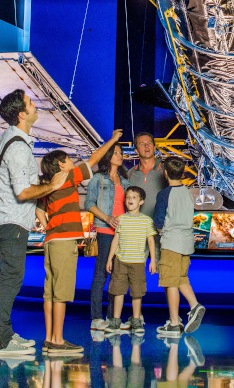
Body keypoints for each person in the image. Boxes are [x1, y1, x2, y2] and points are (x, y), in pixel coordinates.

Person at [0, 89, 73, 358]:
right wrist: (52, 186)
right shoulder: (17, 146)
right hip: (11, 222)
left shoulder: (9, 140)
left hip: (11, 219)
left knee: (11, 277)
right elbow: (22, 191)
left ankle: (5, 333)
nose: (36, 105)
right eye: (31, 103)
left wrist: (37, 208)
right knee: (10, 279)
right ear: (22, 114)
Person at [37, 129, 122, 355]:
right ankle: (57, 341)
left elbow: (39, 211)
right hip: (64, 241)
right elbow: (93, 159)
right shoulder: (66, 177)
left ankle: (48, 339)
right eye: (67, 159)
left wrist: (50, 228)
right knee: (62, 292)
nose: (71, 161)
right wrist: (112, 140)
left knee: (50, 291)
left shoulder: (47, 183)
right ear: (61, 165)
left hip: (51, 240)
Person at [153, 155, 205, 336]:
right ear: (182, 173)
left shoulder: (164, 194)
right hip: (186, 243)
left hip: (171, 243)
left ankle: (174, 323)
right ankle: (195, 306)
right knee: (181, 278)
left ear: (164, 172)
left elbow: (158, 221)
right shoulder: (188, 193)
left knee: (171, 282)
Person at [85, 142, 126, 329]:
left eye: (121, 153)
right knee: (101, 274)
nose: (120, 156)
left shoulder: (125, 182)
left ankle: (112, 317)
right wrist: (107, 218)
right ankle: (96, 317)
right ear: (108, 156)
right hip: (104, 230)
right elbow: (89, 204)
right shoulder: (98, 179)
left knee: (118, 276)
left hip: (123, 233)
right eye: (116, 153)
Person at [107, 186, 157, 335]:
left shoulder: (147, 220)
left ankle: (136, 320)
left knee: (137, 292)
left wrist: (152, 260)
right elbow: (115, 240)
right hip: (120, 261)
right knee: (118, 291)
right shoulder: (120, 219)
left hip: (138, 263)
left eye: (134, 198)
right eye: (128, 197)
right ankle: (116, 321)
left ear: (141, 201)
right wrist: (110, 259)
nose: (130, 200)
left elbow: (151, 241)